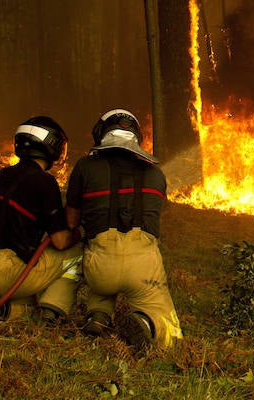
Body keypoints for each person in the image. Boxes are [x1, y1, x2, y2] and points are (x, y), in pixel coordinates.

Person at [65, 108, 182, 352]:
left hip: (100, 266)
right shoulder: (156, 173)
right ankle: (146, 323)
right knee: (166, 323)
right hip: (143, 267)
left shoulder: (85, 167)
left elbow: (71, 221)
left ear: (100, 134)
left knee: (103, 285)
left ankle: (97, 318)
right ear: (137, 137)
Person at [0, 116, 83, 323]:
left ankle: (2, 311)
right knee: (77, 252)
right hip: (9, 273)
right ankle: (53, 310)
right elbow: (59, 241)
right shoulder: (44, 182)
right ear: (53, 146)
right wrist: (80, 232)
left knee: (28, 309)